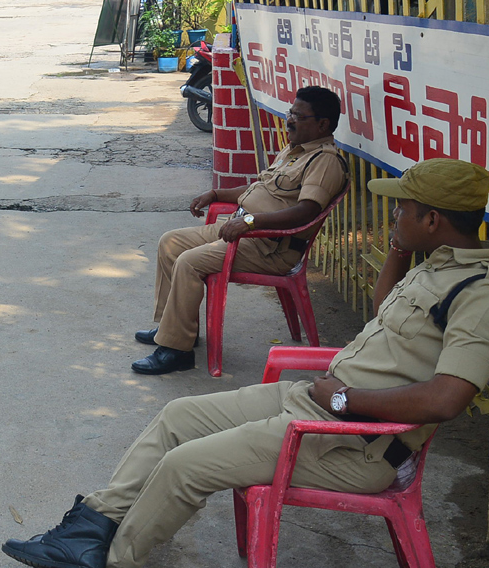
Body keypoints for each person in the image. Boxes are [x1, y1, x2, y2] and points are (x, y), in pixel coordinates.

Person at [2, 158, 489, 568]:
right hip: (317, 404)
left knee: (186, 465)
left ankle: (108, 561)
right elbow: (385, 312)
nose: (393, 215)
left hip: (352, 441)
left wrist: (346, 401)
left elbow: (447, 399)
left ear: (433, 219)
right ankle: (92, 524)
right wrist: (399, 248)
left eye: (402, 210)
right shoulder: (438, 263)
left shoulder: (483, 295)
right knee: (177, 416)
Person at [133, 85, 348, 375]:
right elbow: (260, 188)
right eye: (291, 112)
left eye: (299, 115)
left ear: (322, 124)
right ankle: (174, 329)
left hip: (269, 247)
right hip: (242, 229)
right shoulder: (294, 150)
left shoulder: (325, 161)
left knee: (189, 262)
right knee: (171, 243)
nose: (290, 120)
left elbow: (305, 212)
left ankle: (176, 351)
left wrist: (250, 223)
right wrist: (217, 194)